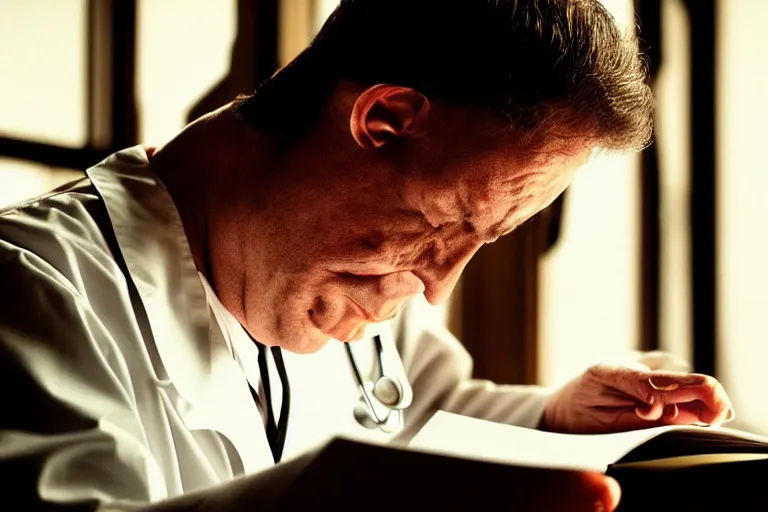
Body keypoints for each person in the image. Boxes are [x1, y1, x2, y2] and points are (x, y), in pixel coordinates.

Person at [0, 0, 733, 510]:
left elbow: (425, 416)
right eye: (447, 224)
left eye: (483, 245)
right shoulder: (30, 284)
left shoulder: (362, 288)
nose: (438, 286)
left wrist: (552, 420)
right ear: (382, 120)